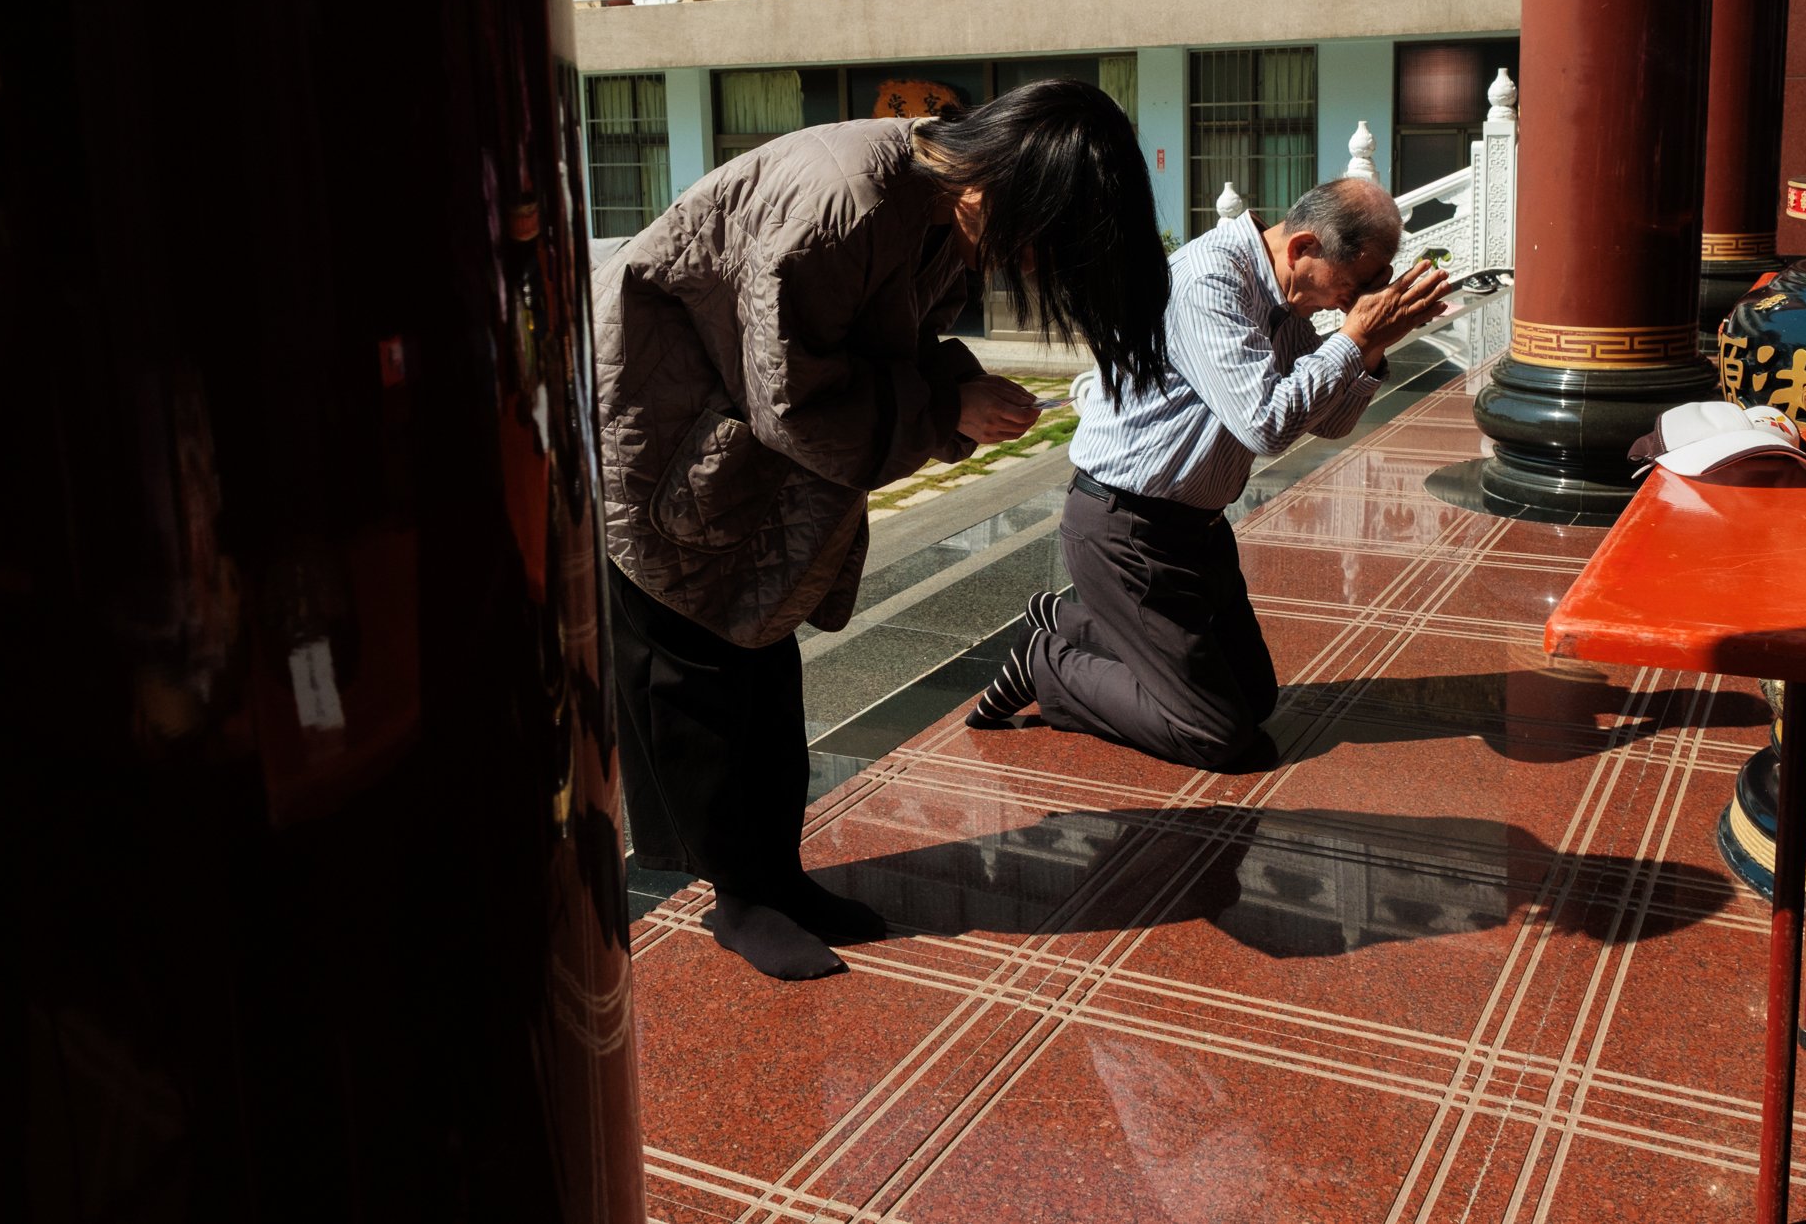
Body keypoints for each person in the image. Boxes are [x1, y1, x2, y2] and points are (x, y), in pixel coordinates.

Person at [595, 80, 1170, 980]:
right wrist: (947, 406)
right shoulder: (847, 206)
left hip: (731, 439)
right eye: (1040, 238)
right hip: (663, 433)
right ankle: (740, 899)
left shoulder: (936, 202)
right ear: (999, 188)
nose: (1027, 261)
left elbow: (886, 346)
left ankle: (776, 878)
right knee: (696, 672)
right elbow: (796, 401)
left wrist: (955, 390)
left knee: (762, 654)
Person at [965, 178, 1451, 768]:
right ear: (1303, 248)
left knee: (1256, 698)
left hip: (1198, 533)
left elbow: (1331, 421)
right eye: (1349, 285)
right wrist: (1353, 339)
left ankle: (1069, 619)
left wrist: (1373, 345)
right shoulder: (1209, 280)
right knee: (1217, 734)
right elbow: (1266, 425)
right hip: (1126, 529)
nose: (1345, 304)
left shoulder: (1285, 300)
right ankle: (1047, 663)